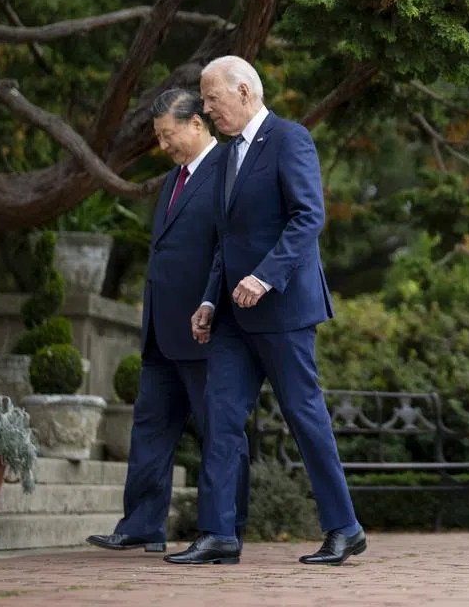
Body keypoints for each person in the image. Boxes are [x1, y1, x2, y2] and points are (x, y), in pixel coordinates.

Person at [163, 55, 366, 567]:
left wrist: (265, 275)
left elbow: (307, 217)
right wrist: (210, 298)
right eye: (204, 100)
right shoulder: (227, 156)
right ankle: (219, 533)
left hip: (284, 310)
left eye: (212, 98)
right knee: (222, 420)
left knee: (304, 416)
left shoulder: (291, 138)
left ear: (245, 92)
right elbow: (226, 240)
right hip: (232, 316)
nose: (206, 111)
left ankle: (345, 528)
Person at [86, 88, 245, 556]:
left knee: (220, 430)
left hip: (205, 327)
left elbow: (226, 248)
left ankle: (228, 529)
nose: (163, 145)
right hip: (160, 329)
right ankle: (142, 524)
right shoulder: (176, 178)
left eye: (168, 135)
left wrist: (212, 304)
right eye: (158, 137)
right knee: (149, 426)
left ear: (198, 124)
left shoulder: (227, 170)